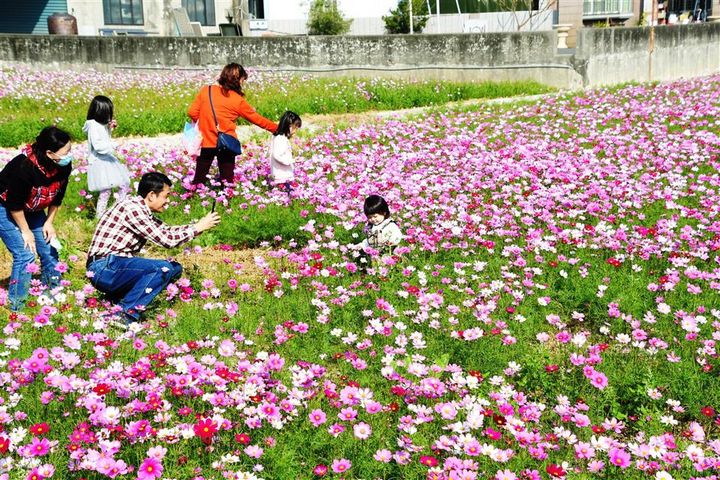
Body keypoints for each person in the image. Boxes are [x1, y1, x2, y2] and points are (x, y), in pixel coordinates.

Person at [86, 171, 220, 326]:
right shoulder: (132, 209)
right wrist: (197, 228)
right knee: (162, 269)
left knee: (174, 268)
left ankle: (116, 301)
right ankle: (125, 314)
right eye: (166, 196)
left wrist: (198, 226)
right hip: (104, 268)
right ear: (151, 195)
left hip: (115, 266)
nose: (167, 201)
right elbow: (167, 241)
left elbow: (167, 231)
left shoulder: (140, 210)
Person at [0, 126, 73, 311]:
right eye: (64, 153)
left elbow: (58, 196)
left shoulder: (63, 166)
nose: (68, 156)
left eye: (69, 151)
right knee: (25, 254)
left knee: (48, 248)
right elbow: (14, 205)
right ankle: (18, 305)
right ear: (49, 153)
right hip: (5, 206)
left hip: (31, 208)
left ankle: (53, 293)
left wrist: (49, 222)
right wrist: (26, 232)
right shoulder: (24, 168)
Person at [187, 63, 278, 186]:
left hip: (205, 141)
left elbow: (192, 112)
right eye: (242, 80)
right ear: (237, 80)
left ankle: (193, 196)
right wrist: (277, 129)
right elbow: (257, 119)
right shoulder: (237, 100)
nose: (242, 83)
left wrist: (205, 123)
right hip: (226, 143)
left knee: (199, 179)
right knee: (227, 181)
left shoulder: (206, 90)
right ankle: (226, 202)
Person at [84, 95, 131, 218]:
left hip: (106, 159)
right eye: (108, 113)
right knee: (106, 190)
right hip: (100, 161)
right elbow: (99, 146)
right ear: (101, 112)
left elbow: (104, 138)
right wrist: (116, 144)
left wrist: (109, 128)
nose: (110, 115)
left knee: (123, 184)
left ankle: (118, 211)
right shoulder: (93, 125)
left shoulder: (98, 124)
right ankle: (101, 217)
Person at [354, 195, 403, 271]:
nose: (373, 219)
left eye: (375, 216)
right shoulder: (372, 227)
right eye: (369, 217)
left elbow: (397, 236)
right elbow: (369, 240)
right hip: (376, 256)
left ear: (384, 212)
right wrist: (362, 245)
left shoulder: (390, 225)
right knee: (377, 268)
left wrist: (391, 242)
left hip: (389, 253)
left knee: (390, 269)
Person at [268, 111, 302, 193]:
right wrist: (292, 161)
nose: (295, 131)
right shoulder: (280, 139)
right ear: (289, 126)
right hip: (281, 176)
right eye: (295, 128)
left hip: (282, 175)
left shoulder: (280, 137)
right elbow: (277, 155)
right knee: (285, 195)